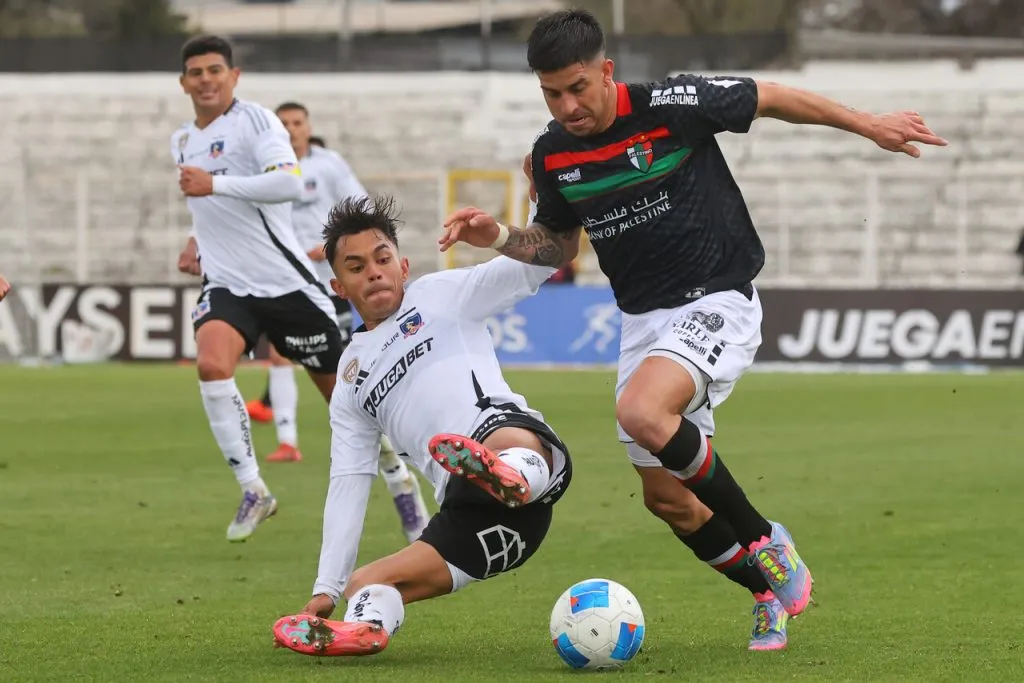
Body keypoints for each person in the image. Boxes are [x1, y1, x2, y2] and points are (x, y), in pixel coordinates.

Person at [442, 9, 947, 651]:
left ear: (606, 70)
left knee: (642, 413)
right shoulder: (553, 155)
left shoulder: (670, 104)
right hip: (642, 322)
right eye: (551, 93)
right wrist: (502, 238)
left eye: (577, 87)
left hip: (717, 297)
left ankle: (767, 541)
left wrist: (868, 123)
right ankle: (765, 593)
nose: (567, 105)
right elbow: (559, 247)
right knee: (669, 500)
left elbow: (771, 97)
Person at [271, 194, 572, 657]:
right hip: (477, 520)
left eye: (382, 258)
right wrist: (326, 588)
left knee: (501, 437)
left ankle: (507, 475)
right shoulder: (350, 377)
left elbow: (538, 265)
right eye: (355, 267)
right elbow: (349, 480)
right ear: (338, 287)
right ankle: (367, 627)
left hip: (521, 453)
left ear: (403, 266)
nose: (372, 271)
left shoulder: (442, 295)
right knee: (366, 583)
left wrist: (538, 201)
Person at [172, 34, 350, 542]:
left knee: (347, 404)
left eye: (214, 70)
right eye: (196, 72)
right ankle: (253, 487)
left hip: (287, 284)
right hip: (228, 283)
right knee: (211, 364)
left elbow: (289, 183)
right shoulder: (182, 139)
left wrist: (215, 184)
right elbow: (205, 207)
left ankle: (399, 479)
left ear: (234, 76)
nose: (206, 79)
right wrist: (194, 241)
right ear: (183, 82)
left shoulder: (257, 122)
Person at [242, 100, 430, 542]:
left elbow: (362, 210)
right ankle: (288, 441)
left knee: (356, 387)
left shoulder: (327, 167)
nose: (290, 130)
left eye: (296, 123)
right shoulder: (264, 174)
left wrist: (329, 248)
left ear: (308, 128)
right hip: (289, 287)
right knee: (282, 358)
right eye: (282, 124)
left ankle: (401, 473)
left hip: (336, 285)